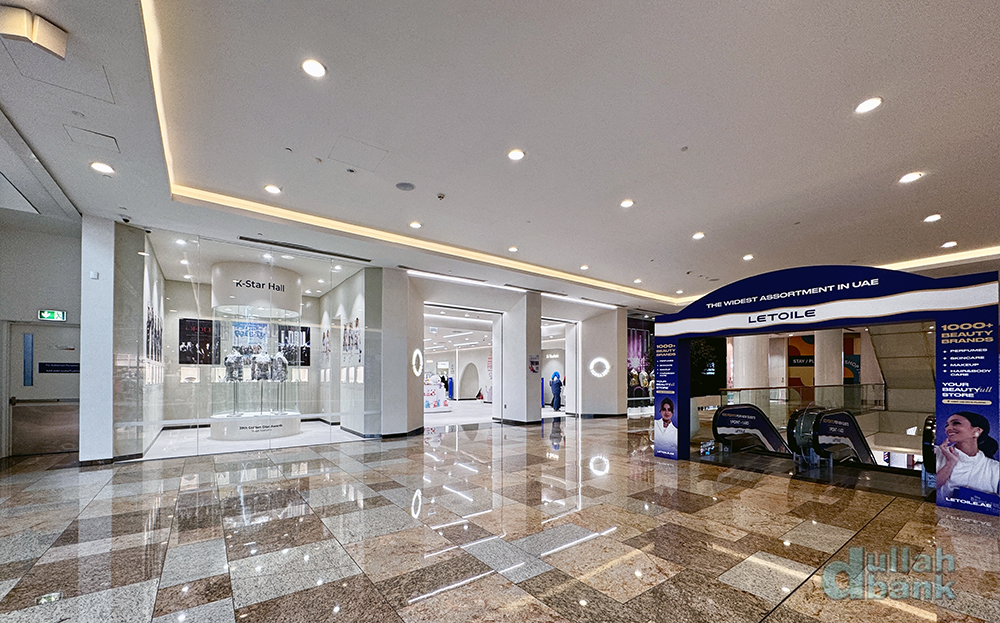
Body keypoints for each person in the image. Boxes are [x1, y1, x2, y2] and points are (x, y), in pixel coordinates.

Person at [936, 411, 1000, 497]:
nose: (948, 428)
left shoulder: (994, 467)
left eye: (956, 423)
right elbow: (929, 487)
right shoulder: (937, 452)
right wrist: (950, 463)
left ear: (977, 431)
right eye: (946, 425)